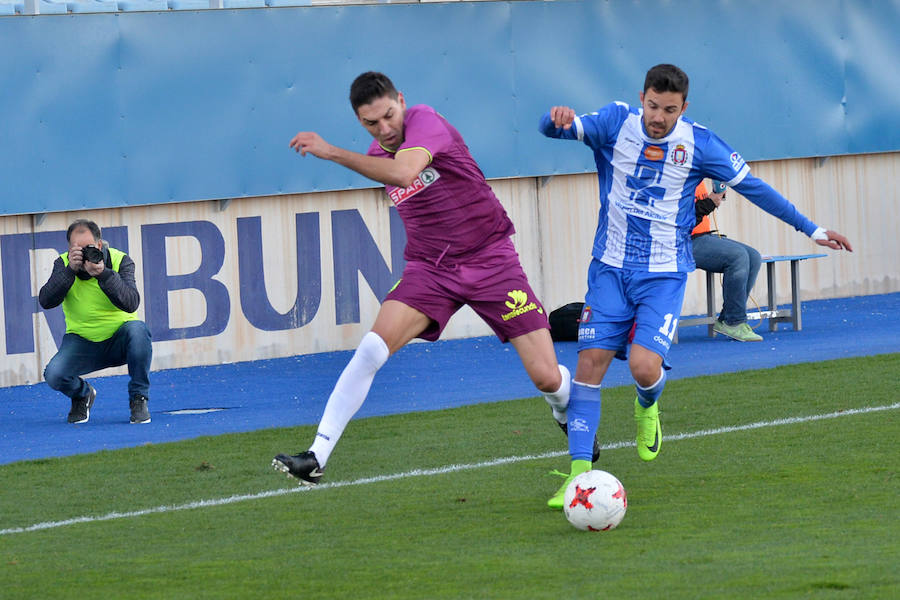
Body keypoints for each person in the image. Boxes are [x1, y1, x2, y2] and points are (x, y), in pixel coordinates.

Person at [539, 63, 852, 509]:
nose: (657, 117)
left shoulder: (700, 143)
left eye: (668, 110)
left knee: (645, 369)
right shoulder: (615, 122)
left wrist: (812, 229)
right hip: (609, 269)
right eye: (652, 105)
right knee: (589, 365)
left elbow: (755, 188)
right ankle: (578, 479)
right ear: (642, 97)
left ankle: (647, 405)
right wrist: (555, 122)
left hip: (663, 274)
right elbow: (555, 131)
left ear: (683, 108)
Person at [272, 71, 597, 486]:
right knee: (372, 349)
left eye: (389, 115)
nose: (385, 129)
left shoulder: (425, 120)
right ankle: (316, 455)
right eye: (372, 124)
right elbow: (404, 181)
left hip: (491, 260)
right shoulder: (377, 153)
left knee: (547, 377)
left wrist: (331, 152)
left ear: (402, 101)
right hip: (432, 268)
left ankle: (562, 406)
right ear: (361, 123)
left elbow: (406, 173)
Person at [39, 219, 152, 424]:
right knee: (54, 374)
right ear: (70, 248)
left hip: (120, 338)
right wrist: (69, 272)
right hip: (82, 342)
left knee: (138, 330)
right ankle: (82, 394)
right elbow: (46, 301)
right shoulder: (63, 264)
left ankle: (139, 398)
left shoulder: (120, 260)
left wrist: (104, 274)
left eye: (89, 248)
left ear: (99, 245)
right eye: (78, 249)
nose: (84, 254)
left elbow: (131, 303)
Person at [692, 180, 763, 341]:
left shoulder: (698, 173)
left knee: (753, 256)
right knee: (737, 256)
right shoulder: (678, 176)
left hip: (702, 236)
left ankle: (726, 319)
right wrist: (710, 202)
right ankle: (735, 321)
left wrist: (716, 195)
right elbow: (683, 220)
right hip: (683, 241)